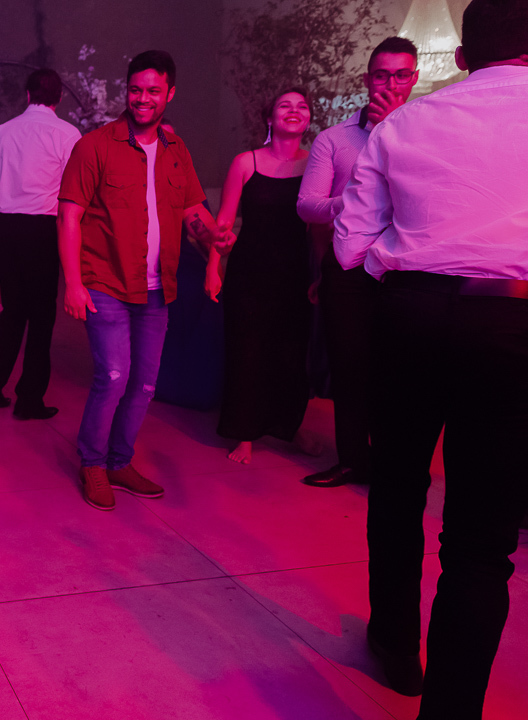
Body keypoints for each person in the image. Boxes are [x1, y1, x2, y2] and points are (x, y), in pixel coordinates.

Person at [334, 1, 528, 715]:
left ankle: (393, 642)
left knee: (398, 484)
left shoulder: (406, 124)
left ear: (464, 57)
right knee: (481, 538)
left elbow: (351, 247)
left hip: (410, 316)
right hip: (513, 322)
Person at [59, 50, 232, 511]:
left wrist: (214, 238)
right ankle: (93, 463)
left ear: (169, 94)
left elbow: (194, 213)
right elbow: (70, 217)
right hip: (106, 283)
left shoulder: (178, 151)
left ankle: (120, 461)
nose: (142, 98)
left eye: (153, 91)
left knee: (145, 383)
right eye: (136, 89)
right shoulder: (95, 146)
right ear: (127, 91)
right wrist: (73, 283)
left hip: (158, 289)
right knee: (113, 377)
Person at [296, 37, 419, 488]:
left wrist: (394, 132)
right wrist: (351, 201)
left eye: (401, 74)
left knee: (399, 372)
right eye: (382, 74)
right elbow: (307, 205)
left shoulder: (427, 133)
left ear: (414, 78)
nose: (391, 83)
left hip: (406, 271)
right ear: (367, 79)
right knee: (349, 367)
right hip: (347, 269)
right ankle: (351, 461)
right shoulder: (335, 139)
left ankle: (392, 467)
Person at [206, 89, 320, 465]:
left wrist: (321, 273)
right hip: (250, 270)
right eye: (284, 105)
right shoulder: (246, 162)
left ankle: (289, 425)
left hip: (295, 270)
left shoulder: (318, 163)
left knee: (291, 352)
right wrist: (212, 267)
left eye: (302, 106)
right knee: (247, 351)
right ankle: (245, 432)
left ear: (308, 119)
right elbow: (224, 222)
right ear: (268, 118)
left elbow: (321, 226)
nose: (294, 110)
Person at [0, 68, 82, 419]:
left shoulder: (3, 132)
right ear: (59, 98)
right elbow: (73, 190)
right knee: (41, 317)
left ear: (27, 95)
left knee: (12, 310)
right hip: (41, 228)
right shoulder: (68, 134)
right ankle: (29, 399)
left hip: (6, 226)